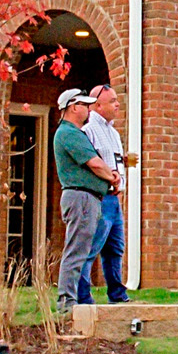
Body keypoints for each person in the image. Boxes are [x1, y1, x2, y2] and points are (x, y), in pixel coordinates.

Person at [52, 88, 118, 317]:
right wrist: (111, 176)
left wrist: (109, 176)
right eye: (85, 105)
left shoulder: (76, 132)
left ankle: (71, 299)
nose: (89, 109)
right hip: (80, 197)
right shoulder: (69, 133)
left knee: (80, 250)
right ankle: (66, 303)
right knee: (76, 251)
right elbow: (94, 163)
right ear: (73, 107)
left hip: (87, 198)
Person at [75, 85, 128, 307]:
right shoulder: (89, 132)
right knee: (91, 248)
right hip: (99, 198)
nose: (117, 105)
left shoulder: (113, 132)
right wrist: (108, 180)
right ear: (97, 105)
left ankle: (117, 293)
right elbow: (91, 165)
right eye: (112, 101)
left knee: (115, 248)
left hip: (114, 199)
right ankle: (82, 296)